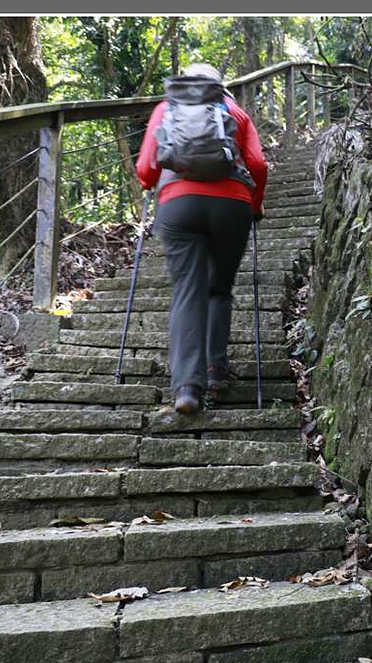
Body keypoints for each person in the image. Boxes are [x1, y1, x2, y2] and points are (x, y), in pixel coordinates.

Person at [136, 63, 268, 414]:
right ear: (220, 87)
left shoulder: (167, 108)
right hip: (232, 205)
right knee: (218, 288)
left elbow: (146, 168)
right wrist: (255, 204)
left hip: (179, 206)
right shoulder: (234, 111)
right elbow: (257, 164)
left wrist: (151, 184)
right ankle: (216, 371)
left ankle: (188, 388)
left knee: (187, 289)